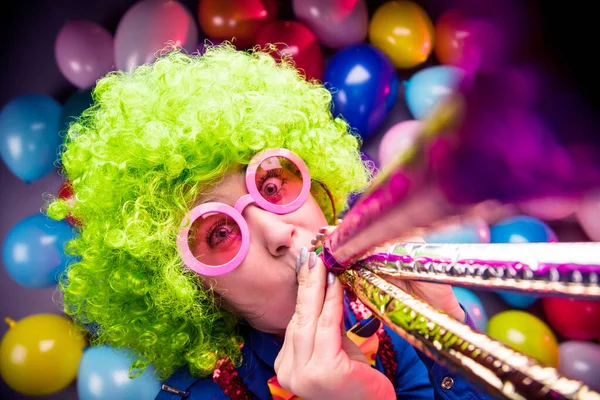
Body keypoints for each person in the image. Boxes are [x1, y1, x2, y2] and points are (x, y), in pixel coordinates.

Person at [47, 44, 490, 399]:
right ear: (191, 289)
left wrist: (447, 336)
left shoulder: (396, 315)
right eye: (220, 232)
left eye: (273, 186)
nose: (280, 232)